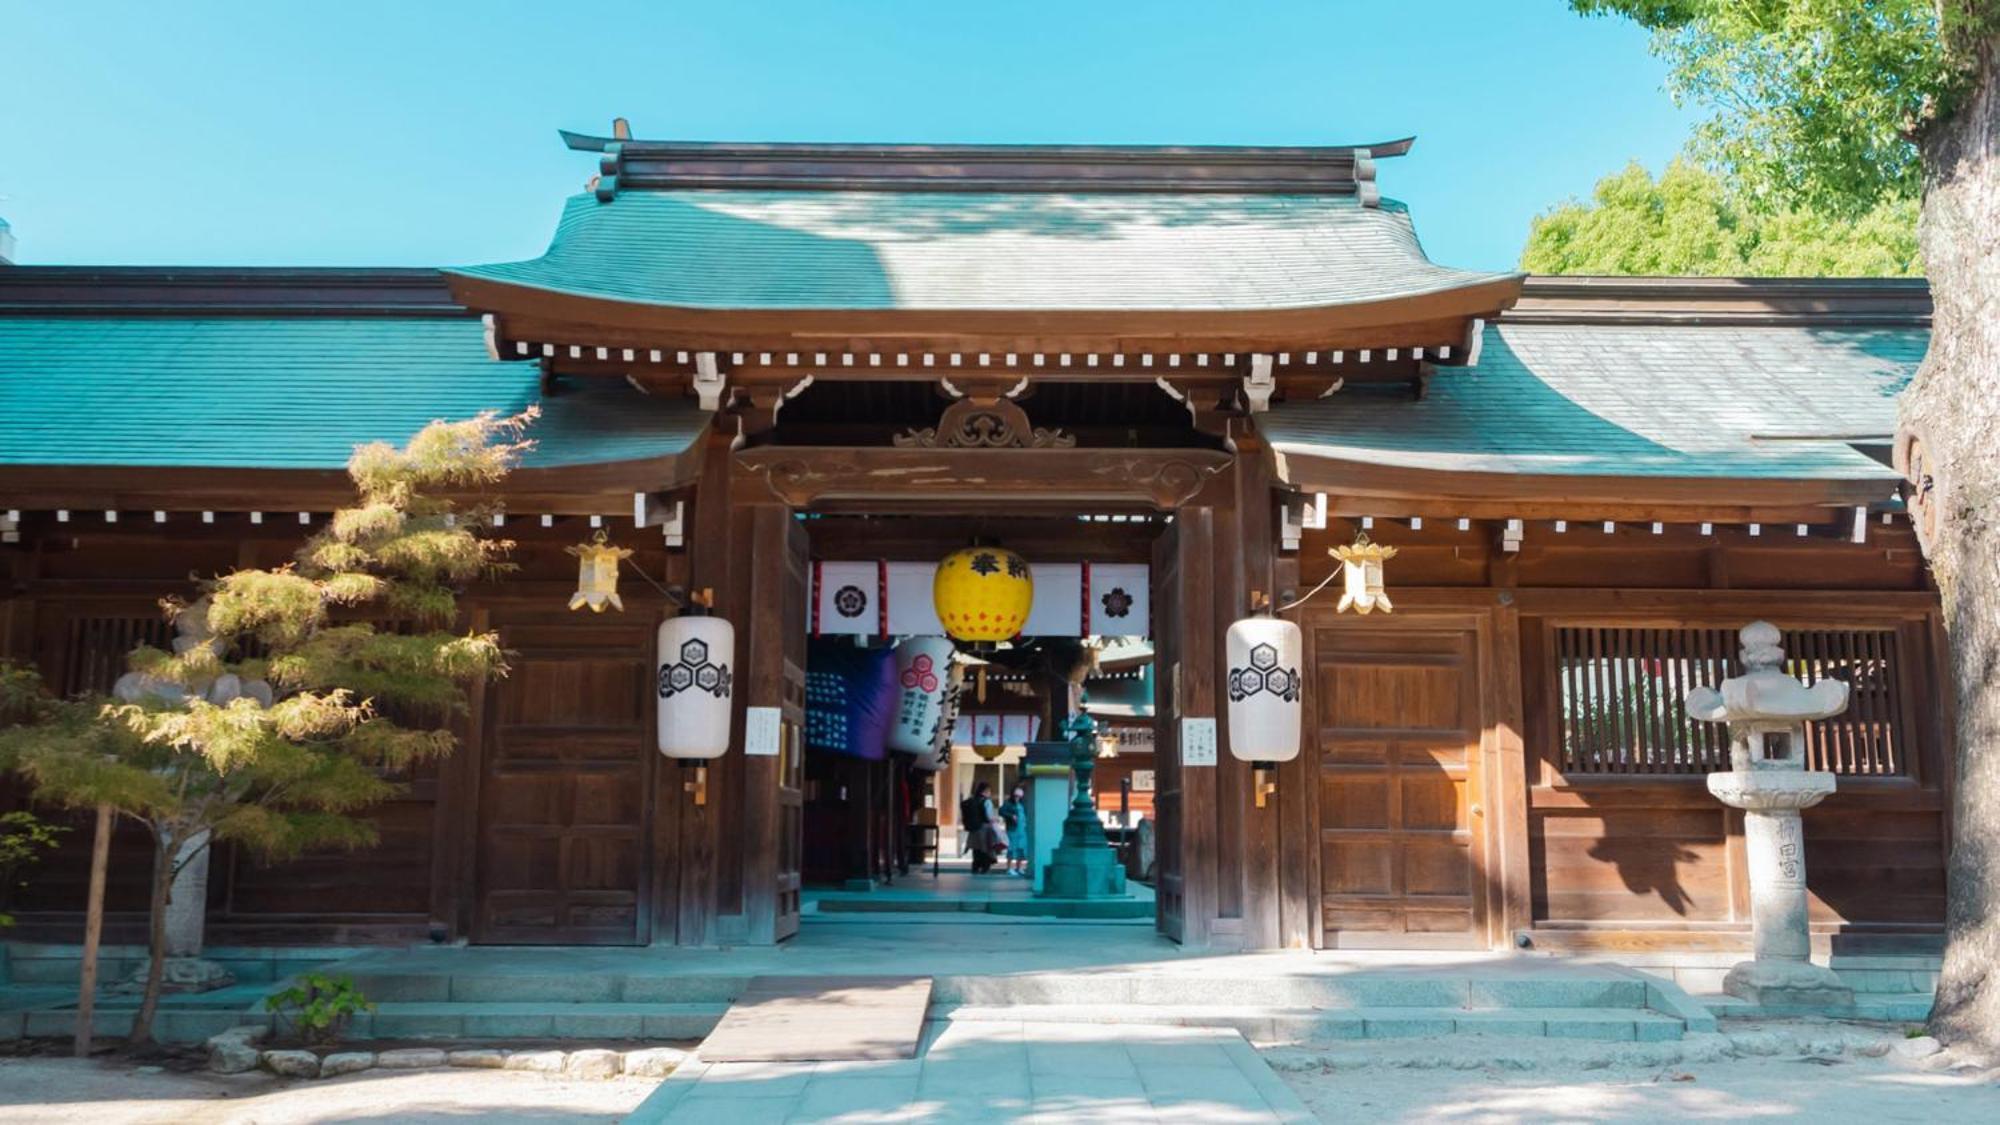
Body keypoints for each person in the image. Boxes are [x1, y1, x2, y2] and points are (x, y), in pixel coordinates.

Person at [959, 781, 1001, 874]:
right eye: (989, 791)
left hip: (974, 830)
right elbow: (989, 817)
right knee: (985, 849)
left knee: (976, 850)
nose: (990, 793)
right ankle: (985, 868)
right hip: (984, 829)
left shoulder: (972, 800)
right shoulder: (987, 801)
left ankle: (975, 867)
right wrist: (996, 820)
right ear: (985, 791)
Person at [998, 785, 1030, 876]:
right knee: (1011, 849)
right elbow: (1001, 811)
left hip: (1022, 829)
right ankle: (1008, 868)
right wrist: (1011, 816)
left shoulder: (1022, 804)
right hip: (1013, 829)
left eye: (1019, 796)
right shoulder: (1008, 803)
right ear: (1013, 795)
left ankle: (1019, 867)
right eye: (1016, 796)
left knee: (1021, 849)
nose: (1017, 798)